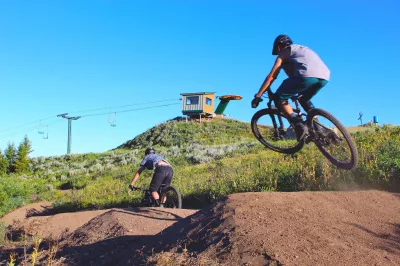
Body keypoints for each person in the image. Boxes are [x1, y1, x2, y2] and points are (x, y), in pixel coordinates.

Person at [251, 34, 330, 141]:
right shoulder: (302, 49)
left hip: (306, 76)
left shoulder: (283, 52)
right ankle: (318, 128)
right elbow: (294, 76)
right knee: (303, 98)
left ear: (279, 47)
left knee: (280, 98)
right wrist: (295, 90)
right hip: (324, 76)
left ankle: (299, 125)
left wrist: (258, 96)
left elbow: (272, 76)